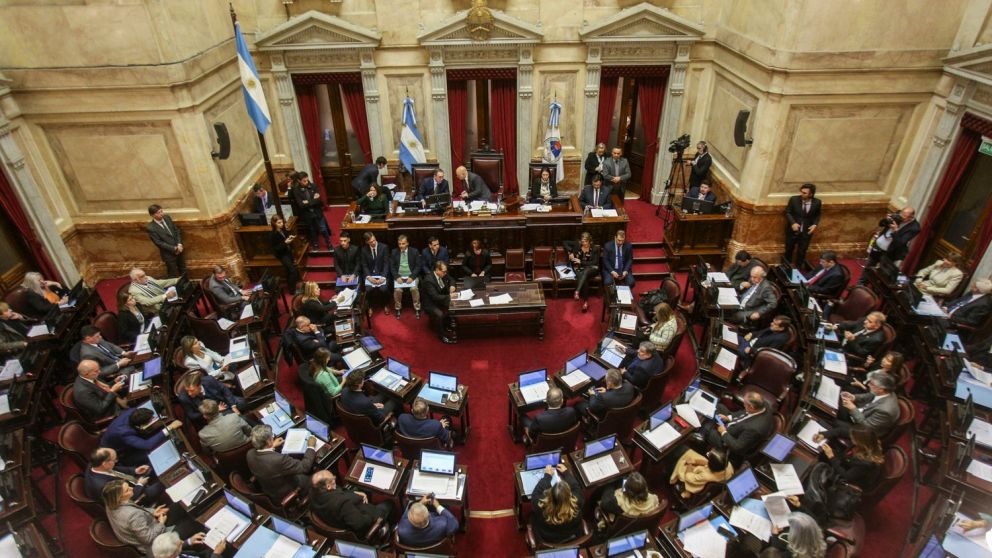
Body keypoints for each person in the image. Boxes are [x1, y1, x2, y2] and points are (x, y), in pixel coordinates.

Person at [102, 480, 204, 556]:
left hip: (150, 523)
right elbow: (149, 539)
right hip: (156, 543)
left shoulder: (110, 502)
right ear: (119, 497)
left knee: (179, 506)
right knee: (194, 523)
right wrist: (161, 523)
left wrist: (153, 511)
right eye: (127, 490)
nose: (132, 488)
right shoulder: (132, 516)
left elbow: (136, 508)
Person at [818, 372, 899, 441]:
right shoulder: (884, 391)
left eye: (872, 384)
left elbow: (865, 427)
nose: (868, 385)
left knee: (832, 419)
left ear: (881, 389)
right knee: (835, 403)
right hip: (861, 414)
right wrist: (854, 397)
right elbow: (870, 395)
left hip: (864, 432)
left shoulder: (886, 410)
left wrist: (853, 409)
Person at [246, 424, 318, 500]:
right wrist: (311, 446)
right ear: (268, 442)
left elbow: (264, 457)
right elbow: (304, 467)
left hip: (269, 488)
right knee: (314, 475)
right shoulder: (279, 460)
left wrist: (272, 446)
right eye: (272, 436)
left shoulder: (249, 454)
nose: (273, 437)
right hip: (288, 491)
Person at [310, 470, 393, 535]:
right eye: (333, 479)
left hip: (336, 517)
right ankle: (388, 528)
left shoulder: (314, 492)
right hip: (364, 521)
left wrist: (354, 493)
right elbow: (360, 525)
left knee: (361, 490)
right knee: (389, 504)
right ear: (328, 486)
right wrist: (370, 516)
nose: (335, 478)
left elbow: (339, 491)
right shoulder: (342, 503)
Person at [704, 391, 774, 465]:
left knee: (706, 426)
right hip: (735, 424)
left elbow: (737, 447)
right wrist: (728, 418)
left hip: (729, 438)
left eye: (745, 404)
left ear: (751, 407)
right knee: (719, 407)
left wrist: (723, 432)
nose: (743, 405)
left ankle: (700, 438)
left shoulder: (754, 429)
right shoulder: (763, 405)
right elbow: (744, 413)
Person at [101, 407, 182, 467]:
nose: (153, 419)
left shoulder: (132, 411)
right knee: (156, 449)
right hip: (122, 454)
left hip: (121, 440)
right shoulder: (125, 433)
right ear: (141, 425)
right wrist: (169, 427)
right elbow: (147, 445)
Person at [85, 447, 163, 504]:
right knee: (164, 481)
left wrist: (135, 470)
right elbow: (127, 498)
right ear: (105, 464)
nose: (116, 461)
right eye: (115, 460)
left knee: (152, 466)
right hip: (134, 497)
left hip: (132, 482)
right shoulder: (104, 486)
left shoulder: (96, 463)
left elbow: (115, 469)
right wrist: (140, 485)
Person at [530, 462, 584, 544]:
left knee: (531, 516)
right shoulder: (577, 502)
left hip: (547, 538)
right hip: (572, 535)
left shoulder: (541, 506)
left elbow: (536, 493)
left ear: (550, 494)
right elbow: (576, 487)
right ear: (570, 495)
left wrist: (547, 476)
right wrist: (566, 473)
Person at [820, 425, 884, 490]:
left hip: (848, 479)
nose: (851, 438)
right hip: (846, 462)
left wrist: (831, 457)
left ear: (861, 443)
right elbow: (841, 431)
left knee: (821, 459)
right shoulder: (864, 439)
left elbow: (845, 476)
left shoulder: (865, 463)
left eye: (854, 439)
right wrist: (824, 435)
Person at [177, 371, 244, 426]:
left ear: (199, 385)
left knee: (242, 402)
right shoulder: (184, 398)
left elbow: (224, 389)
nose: (189, 393)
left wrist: (233, 406)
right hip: (212, 414)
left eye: (191, 390)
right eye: (187, 390)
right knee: (235, 418)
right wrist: (213, 410)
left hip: (223, 401)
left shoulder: (209, 380)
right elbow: (192, 416)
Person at [291, 171, 331, 250]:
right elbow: (301, 205)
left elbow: (319, 200)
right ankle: (315, 245)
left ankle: (328, 243)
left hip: (317, 212)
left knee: (323, 228)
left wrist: (307, 202)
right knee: (312, 230)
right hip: (307, 214)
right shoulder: (296, 190)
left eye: (307, 180)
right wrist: (313, 200)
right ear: (299, 181)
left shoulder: (313, 186)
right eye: (304, 181)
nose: (306, 182)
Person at [783, 183, 821, 268]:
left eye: (805, 193)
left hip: (806, 231)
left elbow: (818, 215)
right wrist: (793, 223)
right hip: (792, 230)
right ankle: (786, 267)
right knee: (789, 250)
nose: (801, 194)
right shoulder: (794, 199)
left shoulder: (817, 202)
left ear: (811, 194)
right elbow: (787, 212)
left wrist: (815, 224)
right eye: (801, 192)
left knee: (802, 251)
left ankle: (798, 268)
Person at [146, 204, 186, 278]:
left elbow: (176, 231)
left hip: (180, 249)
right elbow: (159, 243)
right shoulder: (151, 228)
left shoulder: (167, 218)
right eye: (158, 213)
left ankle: (187, 286)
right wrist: (174, 248)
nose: (161, 214)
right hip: (169, 254)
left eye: (161, 211)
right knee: (173, 273)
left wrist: (179, 244)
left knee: (183, 269)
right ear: (152, 215)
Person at [422, 261, 456, 344]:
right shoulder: (429, 280)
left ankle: (447, 324)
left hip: (441, 298)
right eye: (444, 271)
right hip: (430, 303)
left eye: (446, 271)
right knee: (440, 314)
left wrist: (452, 285)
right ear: (437, 270)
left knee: (454, 306)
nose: (445, 273)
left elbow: (452, 279)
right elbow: (434, 296)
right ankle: (442, 335)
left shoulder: (442, 274)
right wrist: (449, 297)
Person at [567, 232, 600, 312]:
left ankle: (577, 291)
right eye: (582, 241)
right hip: (580, 268)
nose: (584, 243)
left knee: (586, 271)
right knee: (584, 279)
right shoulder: (578, 247)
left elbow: (594, 263)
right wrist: (570, 252)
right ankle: (585, 302)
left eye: (585, 241)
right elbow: (565, 243)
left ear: (589, 241)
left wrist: (581, 262)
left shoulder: (595, 249)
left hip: (592, 269)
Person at [391, 235, 421, 319]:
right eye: (399, 244)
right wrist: (397, 277)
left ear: (407, 243)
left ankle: (417, 308)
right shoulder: (394, 252)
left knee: (414, 289)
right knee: (397, 290)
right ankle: (398, 308)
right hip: (399, 277)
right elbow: (392, 267)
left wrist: (412, 277)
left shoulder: (414, 252)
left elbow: (418, 266)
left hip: (411, 276)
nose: (401, 246)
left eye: (403, 243)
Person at [361, 232, 391, 315]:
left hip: (382, 274)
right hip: (370, 275)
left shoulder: (384, 247)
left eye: (374, 240)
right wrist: (369, 277)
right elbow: (364, 265)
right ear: (367, 242)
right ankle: (370, 306)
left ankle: (386, 305)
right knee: (368, 289)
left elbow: (386, 264)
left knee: (383, 289)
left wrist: (383, 277)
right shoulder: (364, 250)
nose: (373, 243)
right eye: (371, 242)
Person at [269, 214, 299, 292]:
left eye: (281, 222)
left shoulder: (283, 230)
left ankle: (290, 286)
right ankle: (292, 290)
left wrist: (289, 238)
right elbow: (276, 248)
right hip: (282, 255)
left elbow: (284, 240)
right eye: (279, 222)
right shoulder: (273, 235)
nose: (281, 224)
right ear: (274, 223)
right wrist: (285, 243)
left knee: (289, 271)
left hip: (288, 252)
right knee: (293, 271)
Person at [152, 531, 225, 558]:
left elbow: (175, 548)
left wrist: (190, 541)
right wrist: (216, 554)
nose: (181, 541)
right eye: (179, 544)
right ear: (171, 555)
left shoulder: (166, 554)